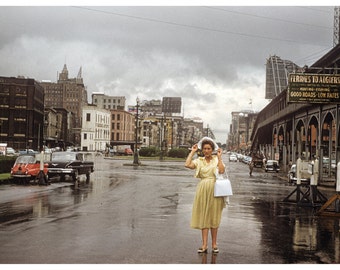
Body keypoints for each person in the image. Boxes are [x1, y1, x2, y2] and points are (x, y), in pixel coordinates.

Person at [185, 137, 226, 254]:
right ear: (202, 150)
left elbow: (222, 171)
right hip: (203, 189)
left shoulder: (216, 160)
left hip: (215, 189)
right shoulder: (199, 161)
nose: (206, 151)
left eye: (208, 148)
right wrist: (192, 151)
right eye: (204, 149)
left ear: (212, 149)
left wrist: (219, 156)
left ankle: (214, 244)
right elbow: (187, 164)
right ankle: (204, 245)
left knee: (214, 217)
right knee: (204, 216)